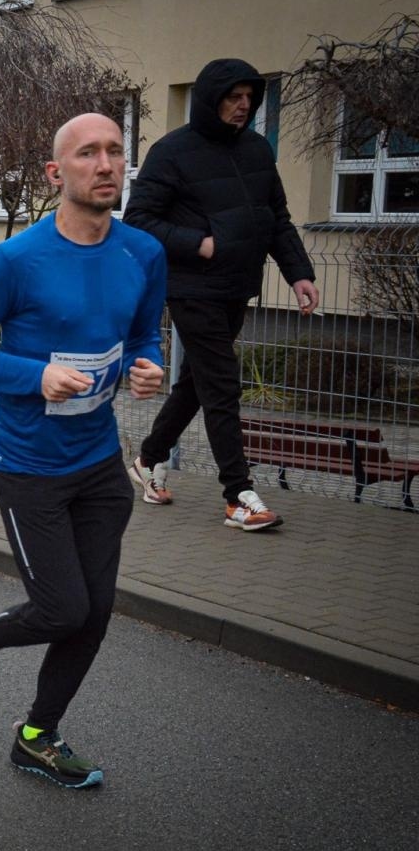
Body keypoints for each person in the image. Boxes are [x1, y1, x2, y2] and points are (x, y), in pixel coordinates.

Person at [0, 113, 167, 790]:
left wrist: (150, 367)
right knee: (62, 607)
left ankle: (37, 736)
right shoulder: (17, 260)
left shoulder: (142, 254)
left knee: (93, 613)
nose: (105, 164)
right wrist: (33, 376)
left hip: (99, 464)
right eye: (87, 153)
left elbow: (144, 334)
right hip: (29, 466)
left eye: (116, 152)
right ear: (55, 174)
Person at [125, 58, 319, 531]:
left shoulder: (255, 149)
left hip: (237, 286)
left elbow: (276, 217)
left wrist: (299, 272)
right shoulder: (172, 152)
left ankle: (150, 459)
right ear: (211, 99)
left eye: (249, 98)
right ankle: (238, 494)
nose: (243, 106)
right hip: (192, 288)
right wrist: (198, 243)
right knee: (222, 384)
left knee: (198, 382)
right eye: (234, 98)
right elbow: (139, 220)